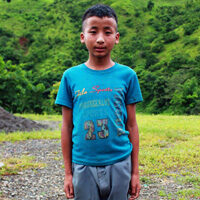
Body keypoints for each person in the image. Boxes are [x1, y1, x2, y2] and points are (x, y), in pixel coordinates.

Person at [55, 4, 143, 200]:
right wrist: (68, 174)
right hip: (82, 164)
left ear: (117, 37)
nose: (100, 38)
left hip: (120, 162)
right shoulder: (70, 77)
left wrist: (135, 173)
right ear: (82, 37)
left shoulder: (127, 76)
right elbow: (67, 126)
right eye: (93, 32)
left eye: (107, 32)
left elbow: (132, 124)